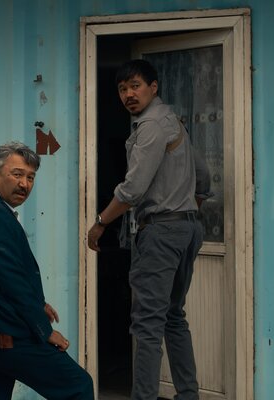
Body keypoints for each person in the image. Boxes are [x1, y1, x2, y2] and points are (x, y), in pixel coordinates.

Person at [87, 59, 210, 400]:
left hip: (162, 232)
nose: (128, 94)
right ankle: (188, 395)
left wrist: (100, 223)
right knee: (173, 316)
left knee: (148, 324)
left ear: (153, 87)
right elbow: (203, 178)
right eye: (122, 89)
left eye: (135, 86)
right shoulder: (172, 121)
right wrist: (185, 212)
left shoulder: (152, 125)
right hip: (186, 229)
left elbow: (133, 189)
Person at [0, 142, 94, 400]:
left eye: (30, 177)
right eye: (17, 174)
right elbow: (11, 279)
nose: (24, 184)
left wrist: (39, 303)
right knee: (77, 385)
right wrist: (45, 330)